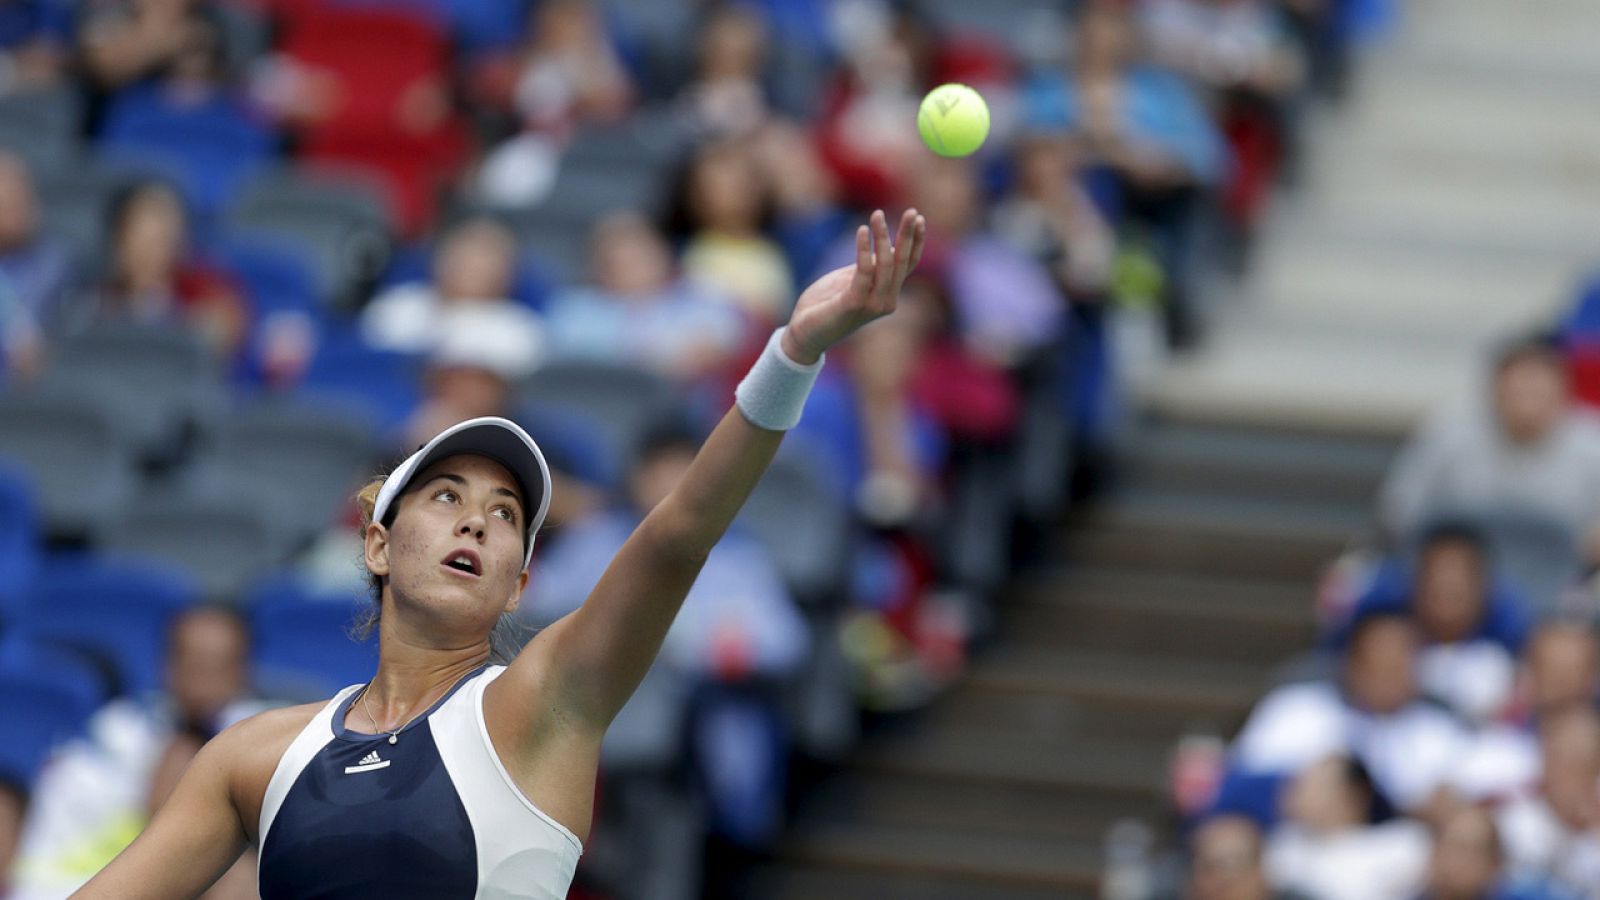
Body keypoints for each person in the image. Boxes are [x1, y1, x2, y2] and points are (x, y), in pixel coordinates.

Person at [70, 207, 925, 897]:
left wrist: (794, 351)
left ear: (520, 585)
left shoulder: (547, 702)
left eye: (507, 514)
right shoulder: (252, 755)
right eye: (446, 498)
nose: (477, 522)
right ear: (376, 543)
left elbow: (677, 533)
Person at [9, 606, 262, 899]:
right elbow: (42, 871)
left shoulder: (274, 743)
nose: (201, 684)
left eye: (218, 666)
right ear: (165, 664)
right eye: (191, 662)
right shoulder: (104, 742)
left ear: (246, 670)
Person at [1380, 336, 1600, 591]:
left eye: (1538, 392)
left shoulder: (1592, 443)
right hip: (1452, 582)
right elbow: (1400, 509)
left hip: (1564, 584)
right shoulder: (1448, 433)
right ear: (1494, 391)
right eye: (1518, 391)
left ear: (1562, 394)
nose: (1528, 404)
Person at [1230, 612, 1469, 814]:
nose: (1388, 678)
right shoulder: (1296, 709)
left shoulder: (1442, 729)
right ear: (1352, 664)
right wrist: (1294, 788)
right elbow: (1239, 784)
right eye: (1378, 664)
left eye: (1399, 666)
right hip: (1299, 851)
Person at [1263, 755, 1430, 900]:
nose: (1295, 792)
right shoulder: (1283, 846)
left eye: (1311, 784)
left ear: (1353, 794)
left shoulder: (1406, 845)